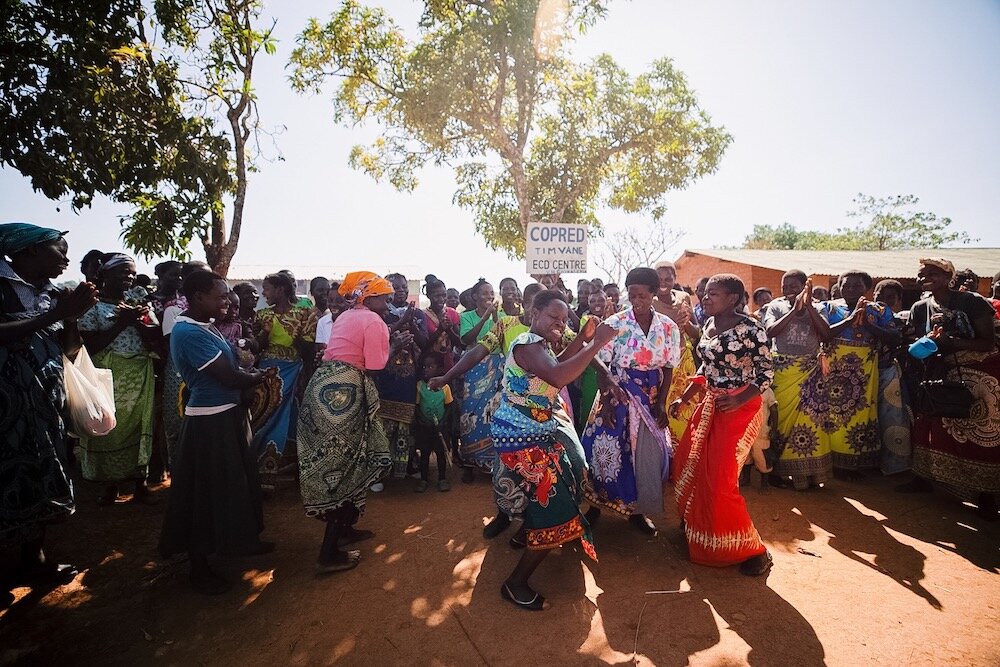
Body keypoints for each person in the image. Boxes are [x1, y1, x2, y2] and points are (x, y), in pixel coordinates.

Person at [491, 289, 617, 610]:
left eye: (564, 319)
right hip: (525, 437)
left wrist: (584, 340)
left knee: (565, 476)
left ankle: (528, 530)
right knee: (555, 506)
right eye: (553, 317)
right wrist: (598, 343)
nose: (560, 324)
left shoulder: (539, 346)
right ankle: (515, 583)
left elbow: (555, 366)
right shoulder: (527, 344)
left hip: (534, 431)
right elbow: (560, 376)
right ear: (534, 313)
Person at [158, 271, 269, 594]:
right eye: (220, 297)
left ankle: (244, 541)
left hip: (227, 414)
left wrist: (247, 375)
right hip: (209, 421)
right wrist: (257, 377)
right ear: (197, 297)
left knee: (239, 482)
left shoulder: (204, 327)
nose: (227, 302)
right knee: (205, 493)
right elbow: (228, 376)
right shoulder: (189, 333)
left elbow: (233, 370)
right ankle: (199, 566)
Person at [0, 223, 98, 584]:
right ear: (27, 252)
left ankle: (34, 561)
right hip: (6, 410)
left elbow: (70, 350)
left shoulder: (54, 294)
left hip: (43, 406)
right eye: (59, 250)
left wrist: (71, 315)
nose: (66, 259)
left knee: (42, 475)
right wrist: (55, 315)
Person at [670, 274, 774, 576]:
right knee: (688, 464)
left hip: (739, 408)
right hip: (710, 404)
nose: (705, 298)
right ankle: (697, 523)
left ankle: (753, 550)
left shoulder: (752, 328)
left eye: (713, 294)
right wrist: (685, 397)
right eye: (705, 293)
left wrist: (740, 400)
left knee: (720, 477)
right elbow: (707, 366)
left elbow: (766, 373)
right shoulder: (709, 326)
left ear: (733, 298)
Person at [297, 272, 396, 573]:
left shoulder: (346, 316)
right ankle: (328, 553)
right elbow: (377, 364)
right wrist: (397, 345)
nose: (389, 302)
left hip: (324, 386)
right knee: (345, 462)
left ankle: (344, 530)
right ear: (369, 298)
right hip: (346, 392)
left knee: (340, 459)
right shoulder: (374, 322)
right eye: (385, 297)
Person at [581, 267, 679, 534]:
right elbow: (593, 355)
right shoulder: (616, 323)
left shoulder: (668, 327)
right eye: (631, 294)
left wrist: (661, 403)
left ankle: (636, 512)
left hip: (650, 397)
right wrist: (608, 389)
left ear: (654, 293)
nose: (636, 301)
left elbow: (669, 367)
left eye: (641, 295)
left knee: (646, 456)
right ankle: (595, 506)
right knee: (607, 451)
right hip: (618, 392)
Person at [900, 258, 999, 520]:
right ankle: (924, 478)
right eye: (922, 274)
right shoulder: (920, 307)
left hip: (978, 375)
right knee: (930, 427)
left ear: (949, 277)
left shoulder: (973, 303)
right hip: (936, 371)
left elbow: (987, 342)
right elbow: (912, 339)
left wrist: (950, 342)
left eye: (933, 273)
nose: (925, 277)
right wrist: (926, 342)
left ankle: (986, 495)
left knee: (978, 432)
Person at [78, 253, 160, 505]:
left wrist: (137, 321)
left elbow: (154, 335)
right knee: (109, 427)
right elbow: (89, 346)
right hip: (108, 375)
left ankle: (140, 483)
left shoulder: (138, 300)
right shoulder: (91, 306)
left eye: (132, 272)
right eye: (123, 272)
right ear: (105, 274)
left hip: (140, 372)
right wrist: (122, 323)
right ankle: (109, 485)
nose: (130, 277)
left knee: (140, 425)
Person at [762, 270, 833, 490]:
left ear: (805, 287)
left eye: (794, 286)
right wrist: (794, 311)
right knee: (780, 421)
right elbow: (770, 331)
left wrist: (809, 306)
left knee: (810, 421)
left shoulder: (820, 307)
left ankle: (809, 474)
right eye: (785, 287)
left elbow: (826, 334)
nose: (788, 291)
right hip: (783, 371)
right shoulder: (775, 306)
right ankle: (777, 472)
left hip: (809, 371)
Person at [821, 271, 897, 475]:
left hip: (864, 370)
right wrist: (851, 319)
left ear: (867, 289)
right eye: (846, 286)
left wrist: (869, 325)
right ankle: (831, 462)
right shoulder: (829, 307)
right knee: (832, 414)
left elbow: (893, 337)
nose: (851, 290)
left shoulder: (880, 310)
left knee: (861, 413)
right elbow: (823, 332)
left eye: (857, 286)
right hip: (833, 369)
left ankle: (855, 463)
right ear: (839, 287)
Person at [251, 272, 317, 490]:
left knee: (295, 419)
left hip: (294, 372)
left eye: (267, 288)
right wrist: (265, 333)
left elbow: (308, 348)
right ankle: (260, 473)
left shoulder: (305, 313)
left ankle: (293, 471)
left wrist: (297, 338)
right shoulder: (262, 316)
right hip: (266, 375)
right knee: (263, 418)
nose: (263, 293)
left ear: (280, 290)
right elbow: (255, 347)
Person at [457, 279, 503, 477]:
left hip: (496, 369)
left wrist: (493, 317)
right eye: (485, 293)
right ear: (474, 297)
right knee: (471, 412)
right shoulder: (466, 316)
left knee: (494, 413)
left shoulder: (501, 317)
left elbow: (500, 340)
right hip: (474, 367)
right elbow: (467, 340)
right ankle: (469, 462)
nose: (489, 296)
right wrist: (484, 318)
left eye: (491, 293)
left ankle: (492, 462)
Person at [652, 261, 700, 442]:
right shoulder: (651, 302)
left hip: (684, 361)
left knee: (686, 409)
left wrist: (685, 322)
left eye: (668, 279)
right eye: (659, 279)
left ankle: (685, 456)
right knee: (663, 409)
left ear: (675, 279)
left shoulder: (683, 298)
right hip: (662, 364)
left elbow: (696, 333)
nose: (663, 283)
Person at [873, 279, 911, 476]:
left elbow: (894, 339)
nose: (884, 302)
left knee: (892, 419)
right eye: (880, 297)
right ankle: (871, 463)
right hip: (865, 374)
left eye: (890, 298)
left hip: (889, 373)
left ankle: (895, 466)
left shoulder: (899, 321)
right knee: (870, 418)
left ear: (898, 300)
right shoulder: (864, 317)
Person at [413, 351, 453, 492]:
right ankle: (423, 480)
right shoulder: (420, 386)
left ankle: (442, 479)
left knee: (441, 454)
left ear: (440, 370)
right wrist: (422, 420)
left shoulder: (445, 388)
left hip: (440, 427)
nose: (426, 370)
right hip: (425, 427)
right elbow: (417, 407)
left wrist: (443, 422)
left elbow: (449, 407)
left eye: (430, 367)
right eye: (424, 367)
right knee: (424, 454)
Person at [423, 274, 462, 371]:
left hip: (449, 362)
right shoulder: (422, 315)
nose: (441, 299)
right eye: (437, 296)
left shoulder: (452, 313)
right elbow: (423, 344)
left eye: (444, 295)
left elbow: (460, 343)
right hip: (428, 365)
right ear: (429, 296)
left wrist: (449, 329)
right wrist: (440, 329)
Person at [216, 291, 258, 369]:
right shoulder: (214, 324)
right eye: (228, 307)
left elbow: (254, 343)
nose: (233, 312)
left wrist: (247, 342)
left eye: (236, 308)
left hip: (239, 365)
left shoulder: (241, 325)